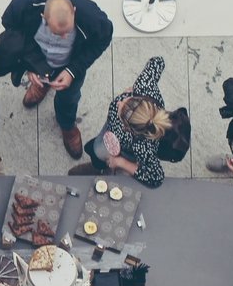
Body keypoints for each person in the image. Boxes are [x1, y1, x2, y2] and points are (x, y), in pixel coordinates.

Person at [0, 0, 113, 159]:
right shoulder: (23, 6)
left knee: (69, 98)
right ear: (43, 17)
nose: (64, 37)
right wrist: (30, 65)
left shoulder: (94, 19)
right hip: (39, 60)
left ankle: (67, 125)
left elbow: (103, 39)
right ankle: (42, 87)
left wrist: (73, 71)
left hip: (70, 65)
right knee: (41, 81)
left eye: (68, 31)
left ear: (75, 12)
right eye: (57, 33)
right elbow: (12, 31)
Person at [69, 56, 184, 188]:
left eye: (121, 111)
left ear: (129, 129)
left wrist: (121, 162)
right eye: (128, 100)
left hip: (124, 149)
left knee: (101, 154)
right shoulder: (144, 86)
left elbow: (156, 178)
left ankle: (102, 168)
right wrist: (134, 88)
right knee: (97, 149)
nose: (119, 102)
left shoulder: (143, 147)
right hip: (111, 130)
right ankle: (98, 165)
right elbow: (158, 61)